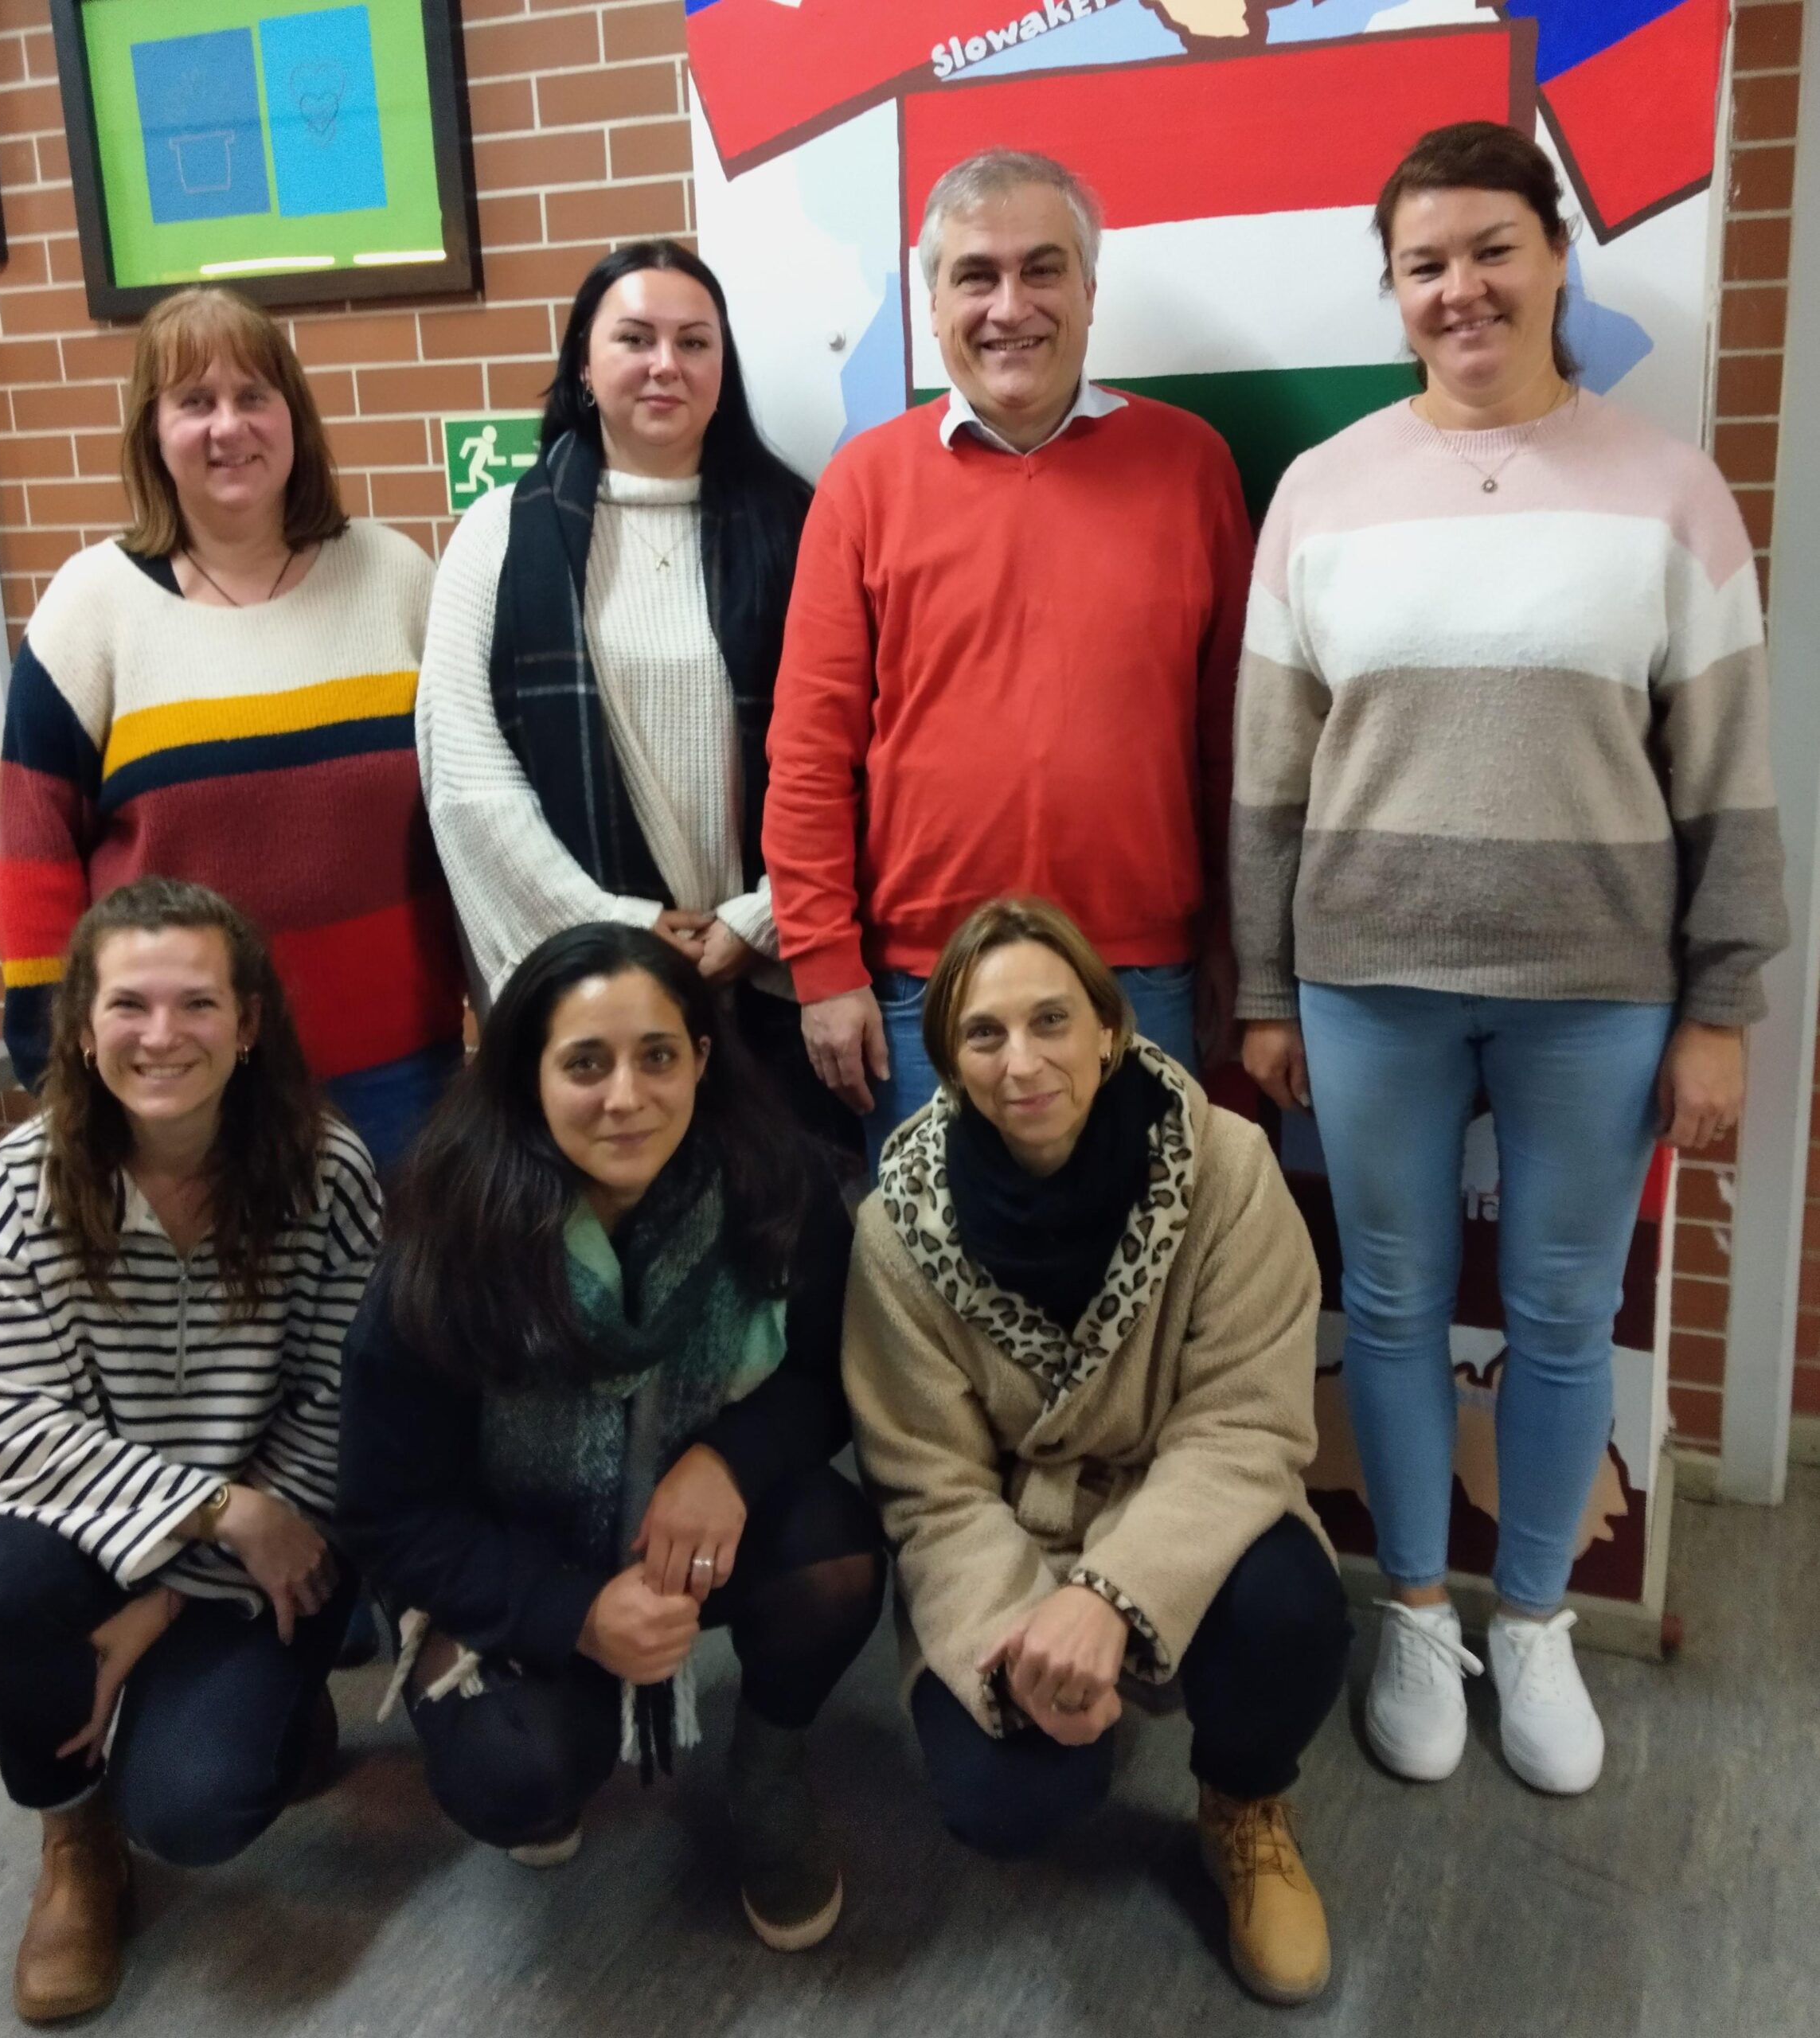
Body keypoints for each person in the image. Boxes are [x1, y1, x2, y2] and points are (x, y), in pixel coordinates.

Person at [1231, 121, 1788, 1795]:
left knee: (1558, 1312)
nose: (1459, 287)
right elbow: (1265, 775)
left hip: (1596, 990)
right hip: (1366, 978)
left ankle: (1530, 1615)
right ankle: (1415, 1607)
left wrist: (1718, 1005)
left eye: (1490, 248)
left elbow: (1726, 776)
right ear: (1392, 290)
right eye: (1423, 263)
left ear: (1553, 256)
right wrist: (1261, 986)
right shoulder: (1320, 491)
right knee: (1390, 1303)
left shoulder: (1668, 491)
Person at [335, 924, 885, 1951]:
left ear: (702, 1059)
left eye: (658, 1055)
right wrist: (575, 1612)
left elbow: (825, 1379)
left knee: (838, 1553)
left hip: (686, 1529)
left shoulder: (777, 1183)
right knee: (519, 1774)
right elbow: (387, 1512)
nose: (626, 1096)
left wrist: (730, 1459)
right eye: (585, 1063)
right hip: (514, 1547)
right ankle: (562, 1710)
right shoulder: (449, 1238)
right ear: (526, 1075)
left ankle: (768, 1765)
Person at [843, 897, 1349, 2006]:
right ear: (950, 1061)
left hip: (1179, 1502)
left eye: (1051, 1021)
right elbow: (929, 1486)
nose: (1022, 1062)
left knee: (1292, 1614)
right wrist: (1023, 1628)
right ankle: (1076, 1708)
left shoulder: (1223, 1167)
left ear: (1109, 1030)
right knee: (1006, 1802)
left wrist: (1112, 1595)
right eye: (984, 1034)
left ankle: (1244, 1800)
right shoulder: (895, 1228)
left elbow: (1244, 1424)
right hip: (1006, 1540)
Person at [0, 878, 381, 2024]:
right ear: (83, 1027)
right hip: (138, 1527)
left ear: (248, 1023)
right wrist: (221, 1514)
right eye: (129, 1004)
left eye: (197, 1003)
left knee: (193, 1808)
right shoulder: (19, 1184)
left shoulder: (327, 1173)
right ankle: (73, 1835)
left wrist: (168, 1600)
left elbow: (346, 1402)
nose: (162, 1034)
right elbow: (6, 1424)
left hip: (285, 1529)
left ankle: (269, 1705)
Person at [762, 148, 1253, 1167]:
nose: (1009, 306)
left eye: (1042, 269)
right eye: (976, 275)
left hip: (1140, 982)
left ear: (1088, 290)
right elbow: (809, 753)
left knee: (1150, 1254)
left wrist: (1228, 940)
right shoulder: (863, 486)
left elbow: (1233, 743)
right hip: (925, 987)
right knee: (934, 1265)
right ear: (935, 303)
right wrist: (823, 965)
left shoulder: (1192, 465)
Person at [0, 285, 465, 1174]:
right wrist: (58, 1069)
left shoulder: (397, 576)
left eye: (254, 395)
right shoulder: (91, 608)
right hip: (187, 1086)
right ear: (152, 431)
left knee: (403, 1273)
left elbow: (467, 810)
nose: (229, 426)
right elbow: (35, 861)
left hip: (401, 1073)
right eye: (194, 402)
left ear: (293, 416)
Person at [416, 242, 852, 1152]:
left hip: (766, 975)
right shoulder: (499, 535)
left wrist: (761, 919)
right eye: (635, 338)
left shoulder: (799, 525)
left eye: (694, 342)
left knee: (779, 1218)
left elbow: (860, 747)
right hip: (588, 989)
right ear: (584, 362)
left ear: (723, 367)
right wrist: (618, 929)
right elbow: (466, 778)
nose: (665, 364)